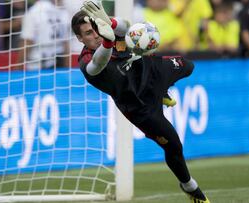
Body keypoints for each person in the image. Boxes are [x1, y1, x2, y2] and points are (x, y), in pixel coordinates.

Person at [71, 1, 210, 202]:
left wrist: (109, 22)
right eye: (88, 33)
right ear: (79, 38)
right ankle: (189, 186)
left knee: (188, 66)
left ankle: (162, 91)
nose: (95, 35)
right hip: (140, 106)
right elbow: (97, 65)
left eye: (96, 29)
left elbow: (127, 28)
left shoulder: (107, 31)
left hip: (152, 72)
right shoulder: (86, 61)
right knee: (174, 146)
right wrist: (107, 43)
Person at [17, 0, 70, 70]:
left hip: (37, 65)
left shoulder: (33, 12)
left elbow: (27, 41)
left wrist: (18, 66)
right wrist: (67, 67)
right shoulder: (62, 12)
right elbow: (66, 43)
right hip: (59, 63)